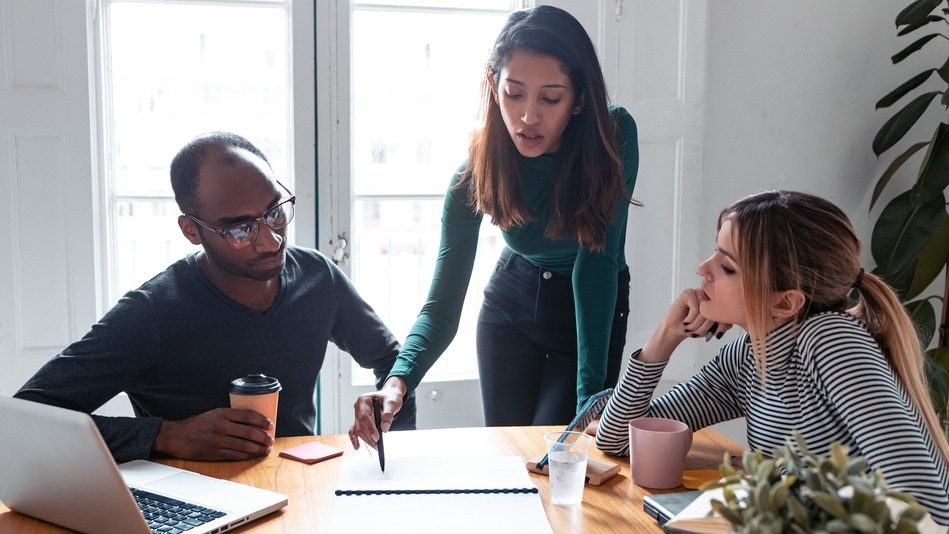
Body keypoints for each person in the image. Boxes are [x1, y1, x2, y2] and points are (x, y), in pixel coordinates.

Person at [15, 132, 416, 463]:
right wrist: (166, 435)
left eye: (275, 212)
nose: (272, 240)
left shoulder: (317, 278)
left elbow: (393, 361)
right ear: (192, 231)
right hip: (192, 505)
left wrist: (387, 408)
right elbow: (25, 420)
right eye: (240, 230)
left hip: (301, 493)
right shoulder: (152, 313)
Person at [349, 5, 639, 449]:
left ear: (579, 99)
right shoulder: (476, 173)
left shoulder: (613, 134)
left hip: (589, 308)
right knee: (511, 459)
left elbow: (596, 266)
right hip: (511, 303)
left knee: (561, 454)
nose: (528, 116)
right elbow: (441, 307)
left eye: (550, 97)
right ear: (493, 85)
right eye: (514, 93)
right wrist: (397, 383)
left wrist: (589, 401)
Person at [594, 190, 949, 525]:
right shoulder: (747, 356)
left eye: (728, 266)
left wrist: (778, 486)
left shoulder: (830, 340)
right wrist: (666, 336)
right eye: (715, 252)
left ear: (784, 302)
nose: (703, 268)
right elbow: (618, 439)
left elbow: (921, 506)